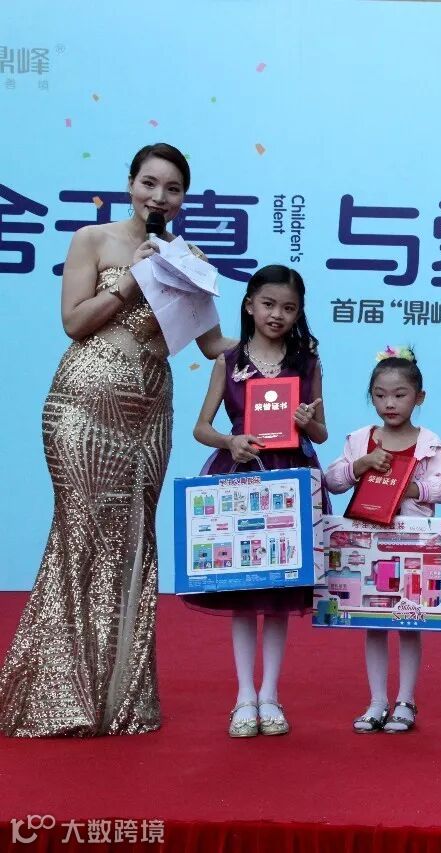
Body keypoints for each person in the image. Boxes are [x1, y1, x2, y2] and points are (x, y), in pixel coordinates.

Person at [0, 143, 236, 738]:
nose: (159, 197)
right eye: (150, 183)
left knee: (133, 539)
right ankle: (57, 699)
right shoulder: (93, 240)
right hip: (84, 402)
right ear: (131, 184)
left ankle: (119, 699)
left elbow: (214, 347)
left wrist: (279, 334)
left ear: (184, 199)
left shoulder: (187, 259)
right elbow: (74, 322)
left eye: (173, 189)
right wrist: (133, 280)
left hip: (149, 411)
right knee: (80, 533)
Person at [188, 264, 328, 738]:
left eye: (289, 308)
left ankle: (270, 694)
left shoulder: (307, 362)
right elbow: (202, 427)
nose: (277, 314)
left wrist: (307, 422)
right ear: (249, 305)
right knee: (244, 592)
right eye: (268, 304)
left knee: (280, 592)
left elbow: (321, 432)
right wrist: (230, 442)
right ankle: (244, 696)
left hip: (291, 478)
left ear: (299, 313)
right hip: (240, 477)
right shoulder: (227, 360)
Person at [325, 347, 441, 734]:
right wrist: (360, 465)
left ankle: (406, 700)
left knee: (410, 622)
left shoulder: (429, 442)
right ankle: (377, 701)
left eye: (400, 395)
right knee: (374, 622)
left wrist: (413, 488)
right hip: (368, 542)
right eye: (380, 395)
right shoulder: (360, 439)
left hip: (412, 543)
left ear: (419, 397)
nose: (390, 403)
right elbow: (332, 481)